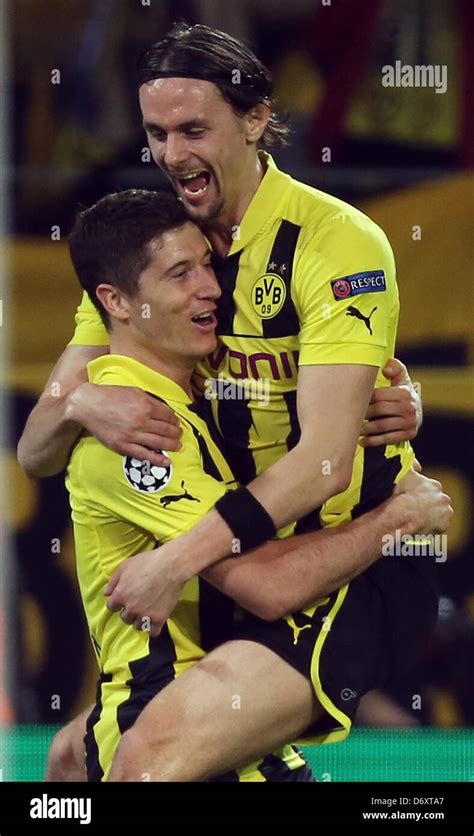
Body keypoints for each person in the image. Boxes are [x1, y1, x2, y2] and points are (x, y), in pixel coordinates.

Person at [17, 24, 441, 780]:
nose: (172, 155)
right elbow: (34, 447)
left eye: (193, 130)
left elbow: (321, 462)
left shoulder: (336, 243)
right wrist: (80, 405)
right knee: (72, 767)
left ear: (253, 120)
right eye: (155, 133)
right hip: (242, 557)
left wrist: (174, 561)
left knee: (151, 760)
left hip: (341, 567)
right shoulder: (160, 247)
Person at [60, 188, 450, 782]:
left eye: (209, 267)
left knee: (73, 755)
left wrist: (391, 395)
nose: (212, 289)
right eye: (180, 274)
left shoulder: (201, 397)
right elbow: (266, 585)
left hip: (203, 726)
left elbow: (66, 762)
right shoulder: (142, 435)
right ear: (115, 301)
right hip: (187, 741)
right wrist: (402, 517)